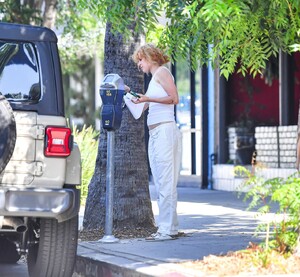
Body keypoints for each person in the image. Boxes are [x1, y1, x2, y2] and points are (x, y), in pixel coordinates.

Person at [125, 43, 182, 241]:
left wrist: (148, 98)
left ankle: (166, 229)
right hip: (156, 133)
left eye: (140, 60)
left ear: (150, 58)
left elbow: (174, 98)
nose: (139, 64)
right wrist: (128, 94)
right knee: (161, 181)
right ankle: (169, 226)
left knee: (165, 181)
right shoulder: (153, 80)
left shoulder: (162, 73)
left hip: (165, 130)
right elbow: (141, 107)